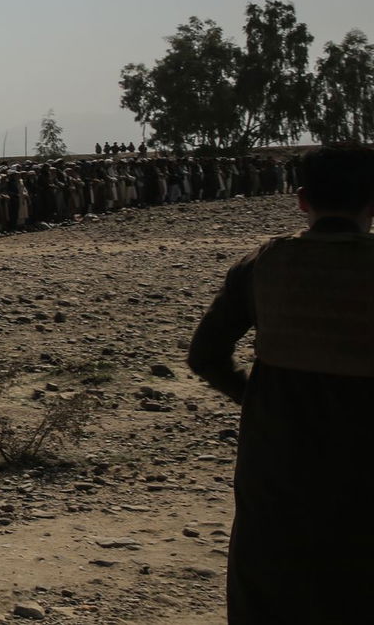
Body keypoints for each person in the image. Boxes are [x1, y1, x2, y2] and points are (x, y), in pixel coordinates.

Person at [187, 144, 374, 624]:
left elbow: (206, 356)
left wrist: (255, 398)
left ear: (302, 199)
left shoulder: (264, 263)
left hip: (278, 453)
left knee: (269, 578)